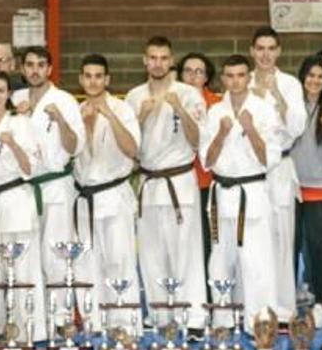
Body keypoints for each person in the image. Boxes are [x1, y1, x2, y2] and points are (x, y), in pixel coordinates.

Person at [125, 37, 207, 333]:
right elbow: (128, 149)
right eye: (152, 57)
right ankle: (160, 317)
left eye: (163, 57)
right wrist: (141, 117)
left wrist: (179, 110)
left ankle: (195, 318)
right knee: (151, 254)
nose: (158, 63)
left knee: (186, 252)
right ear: (144, 61)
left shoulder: (188, 94)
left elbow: (199, 141)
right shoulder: (133, 97)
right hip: (148, 182)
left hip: (179, 182)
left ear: (172, 61)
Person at [201, 54, 281, 331]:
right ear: (222, 79)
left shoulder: (264, 110)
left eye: (240, 75)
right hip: (222, 194)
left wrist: (250, 128)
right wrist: (222, 134)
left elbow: (268, 159)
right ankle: (222, 322)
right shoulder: (214, 112)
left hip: (252, 193)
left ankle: (259, 324)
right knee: (220, 262)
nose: (235, 81)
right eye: (230, 76)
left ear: (249, 77)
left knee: (257, 264)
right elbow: (207, 161)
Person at [0, 71, 45, 341]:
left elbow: (31, 168)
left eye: (0, 90)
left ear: (8, 94)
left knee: (23, 268)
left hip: (16, 201)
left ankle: (28, 327)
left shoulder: (21, 123)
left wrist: (13, 144)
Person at [72, 54, 140, 329]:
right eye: (87, 76)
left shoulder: (122, 109)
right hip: (86, 198)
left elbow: (133, 150)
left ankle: (125, 323)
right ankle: (93, 322)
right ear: (80, 79)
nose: (93, 81)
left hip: (114, 195)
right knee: (87, 264)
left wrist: (109, 116)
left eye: (98, 76)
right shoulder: (76, 112)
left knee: (119, 261)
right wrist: (87, 125)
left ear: (107, 79)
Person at [11, 46, 84, 301]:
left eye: (41, 65)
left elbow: (75, 147)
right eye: (29, 65)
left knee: (57, 253)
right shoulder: (15, 99)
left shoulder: (64, 100)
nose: (35, 70)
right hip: (23, 189)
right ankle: (35, 321)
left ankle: (61, 319)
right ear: (22, 69)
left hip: (56, 186)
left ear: (50, 69)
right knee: (28, 257)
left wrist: (61, 120)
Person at [249, 26, 306, 322]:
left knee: (282, 240)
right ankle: (255, 308)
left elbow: (297, 128)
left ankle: (283, 310)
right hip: (249, 172)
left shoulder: (290, 83)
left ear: (279, 51)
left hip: (280, 168)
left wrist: (275, 95)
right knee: (253, 241)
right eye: (260, 48)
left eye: (271, 48)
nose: (266, 54)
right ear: (252, 51)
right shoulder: (241, 82)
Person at [291, 56, 322, 305]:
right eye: (310, 75)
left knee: (320, 249)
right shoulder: (292, 106)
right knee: (289, 248)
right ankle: (287, 300)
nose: (315, 80)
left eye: (320, 76)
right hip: (290, 187)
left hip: (320, 188)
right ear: (302, 77)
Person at [179, 52, 222, 280]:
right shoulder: (171, 101)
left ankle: (211, 294)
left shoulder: (217, 104)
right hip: (180, 184)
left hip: (207, 183)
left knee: (208, 242)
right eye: (188, 71)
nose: (193, 76)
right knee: (184, 242)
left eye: (199, 72)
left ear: (207, 77)